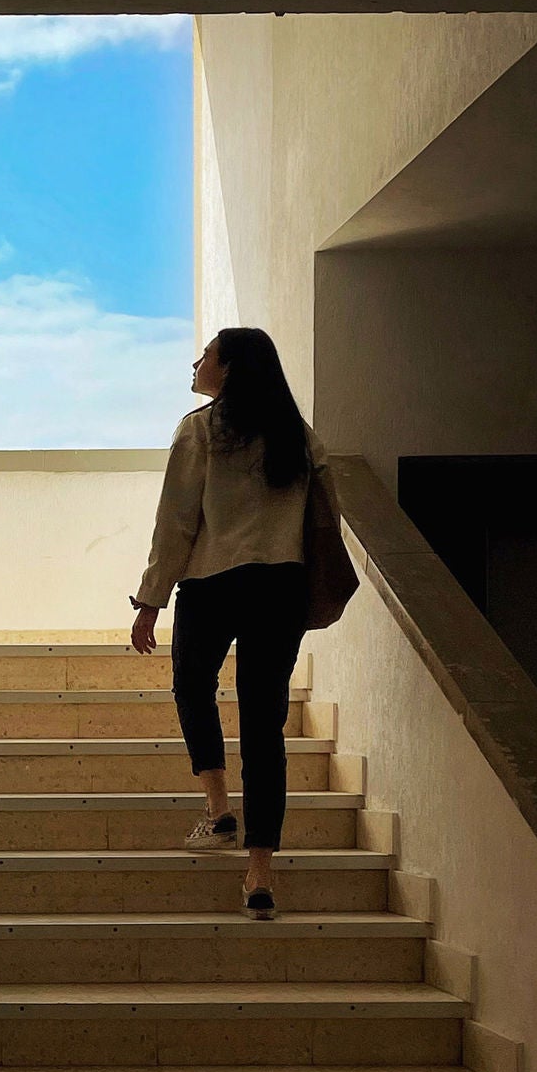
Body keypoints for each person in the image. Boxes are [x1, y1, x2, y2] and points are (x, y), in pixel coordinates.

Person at [129, 327, 325, 920]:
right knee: (264, 727)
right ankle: (259, 872)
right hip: (280, 586)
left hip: (213, 582)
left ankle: (218, 810)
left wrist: (149, 600)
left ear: (232, 367)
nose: (197, 362)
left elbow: (177, 522)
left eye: (207, 355)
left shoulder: (201, 430)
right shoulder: (297, 435)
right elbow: (324, 520)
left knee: (192, 685)